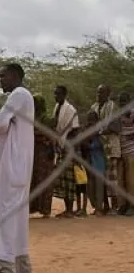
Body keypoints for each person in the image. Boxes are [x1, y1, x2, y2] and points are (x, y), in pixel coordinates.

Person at [0, 63, 34, 273]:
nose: (0, 80)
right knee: (17, 215)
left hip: (12, 165)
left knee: (4, 214)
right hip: (18, 164)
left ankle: (6, 271)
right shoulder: (24, 96)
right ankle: (22, 267)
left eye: (3, 76)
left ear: (14, 76)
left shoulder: (18, 95)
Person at [90, 84, 120, 213]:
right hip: (98, 148)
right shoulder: (94, 107)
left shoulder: (113, 107)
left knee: (112, 178)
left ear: (108, 94)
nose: (99, 95)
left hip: (111, 146)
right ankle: (104, 205)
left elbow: (115, 126)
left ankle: (114, 206)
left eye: (101, 93)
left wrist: (100, 130)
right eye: (97, 92)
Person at [52, 86, 80, 218]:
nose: (55, 96)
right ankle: (66, 209)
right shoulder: (56, 108)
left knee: (69, 179)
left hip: (68, 148)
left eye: (58, 94)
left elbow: (75, 130)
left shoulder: (70, 110)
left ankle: (70, 209)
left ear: (64, 94)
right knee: (62, 179)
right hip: (59, 147)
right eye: (55, 94)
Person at [30, 95, 56, 218]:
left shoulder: (45, 119)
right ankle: (33, 207)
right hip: (33, 151)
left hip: (44, 152)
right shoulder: (31, 117)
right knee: (34, 179)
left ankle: (45, 209)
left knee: (44, 178)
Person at [117, 92, 134, 215]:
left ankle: (132, 206)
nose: (122, 104)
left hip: (131, 151)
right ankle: (123, 205)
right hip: (120, 151)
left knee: (131, 180)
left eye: (124, 101)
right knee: (121, 180)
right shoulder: (118, 115)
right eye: (120, 102)